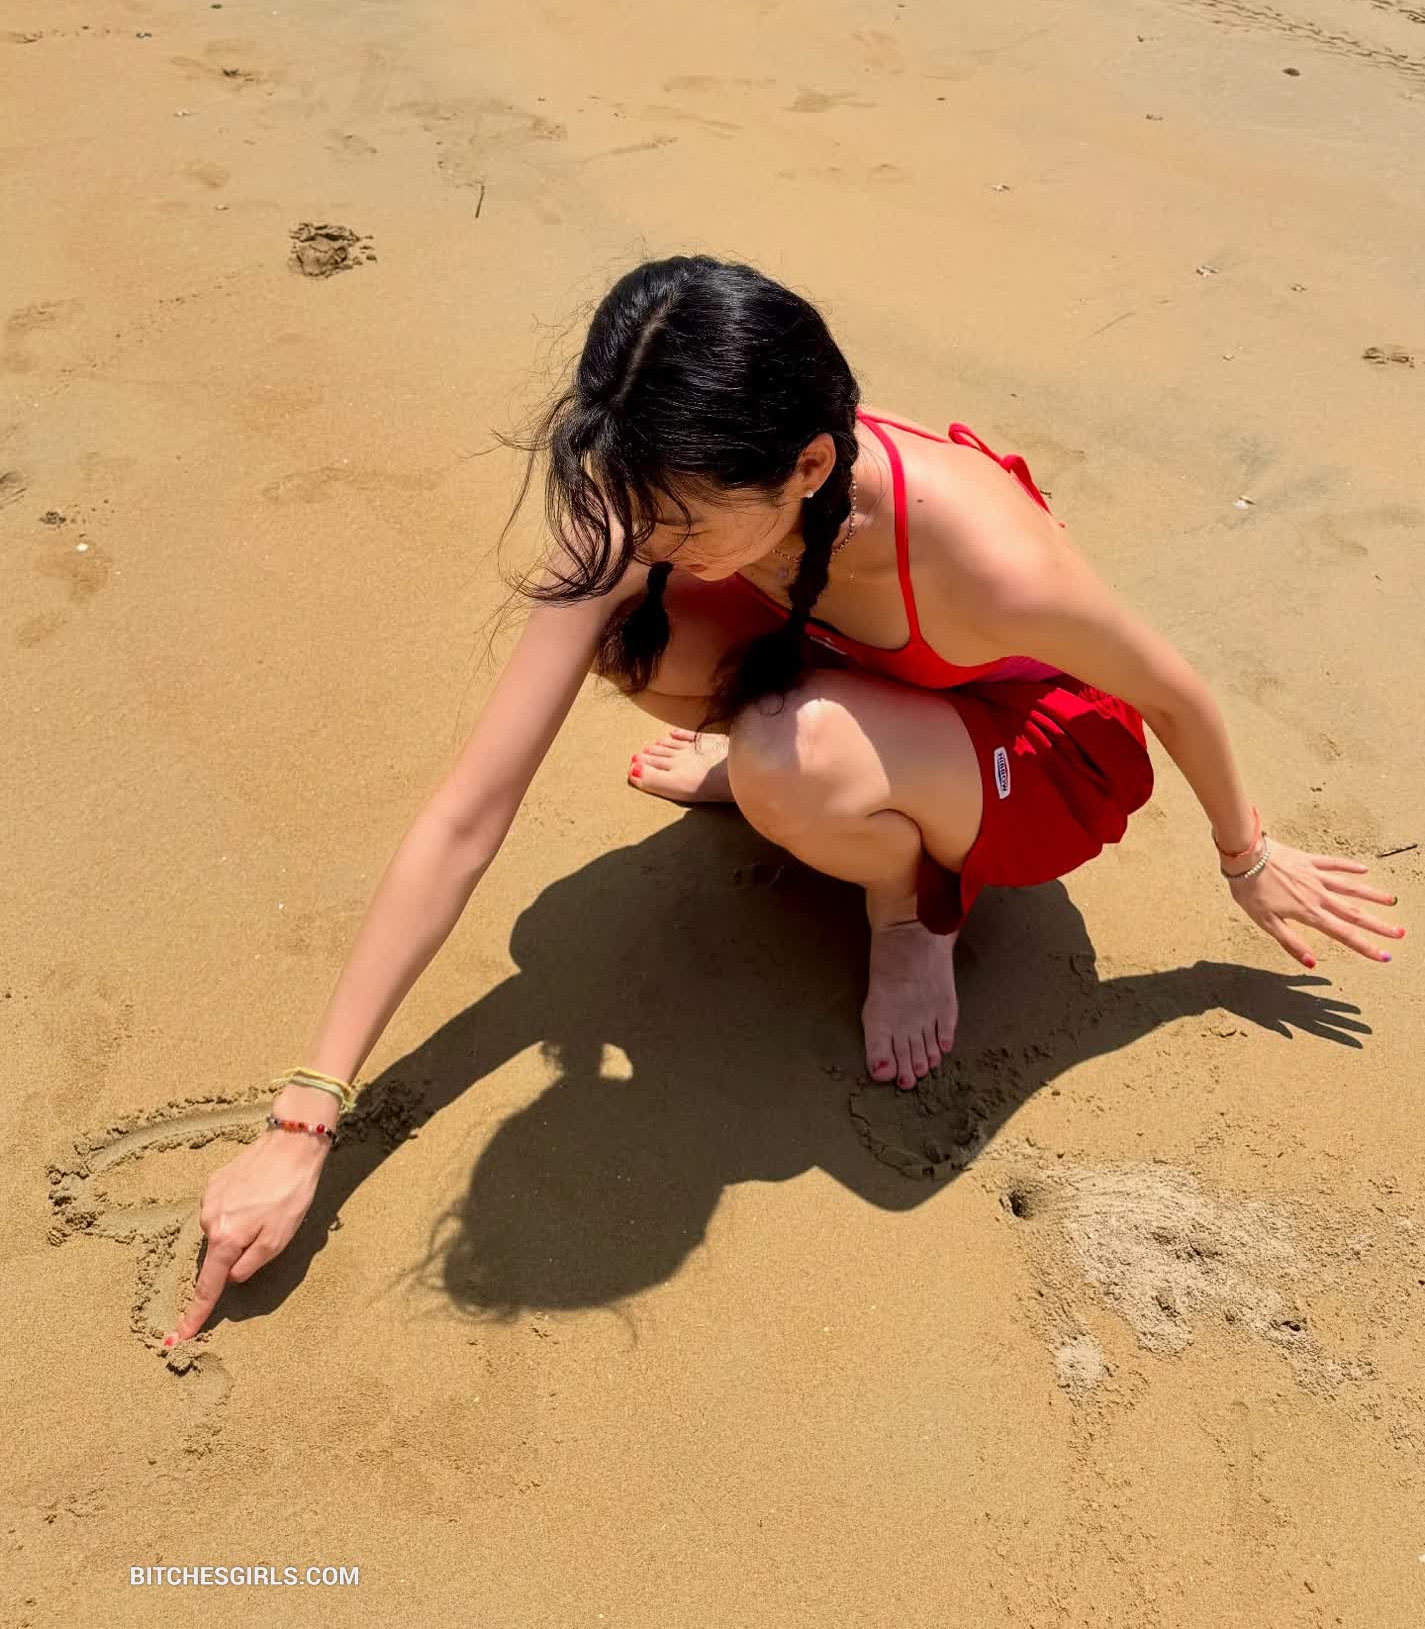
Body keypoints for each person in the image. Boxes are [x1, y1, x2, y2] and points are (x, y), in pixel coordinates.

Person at [165, 254, 1405, 1345]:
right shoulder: (645, 489)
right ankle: (813, 764)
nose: (642, 536)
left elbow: (1174, 693)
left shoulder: (983, 553)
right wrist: (304, 1117)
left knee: (791, 755)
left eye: (681, 521)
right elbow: (468, 814)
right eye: (635, 504)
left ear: (811, 463)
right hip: (862, 668)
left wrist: (1248, 857)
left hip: (1033, 750)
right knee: (637, 638)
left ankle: (908, 905)